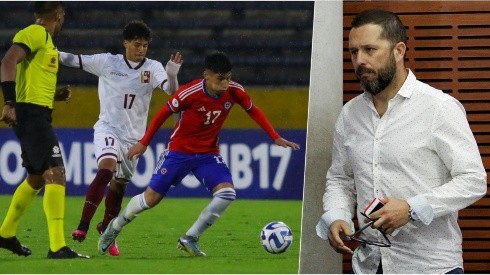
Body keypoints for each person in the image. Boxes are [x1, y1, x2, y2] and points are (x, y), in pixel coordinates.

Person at [315, 9, 487, 274]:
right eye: (353, 52)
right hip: (369, 265)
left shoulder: (438, 107)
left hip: (431, 267)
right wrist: (336, 215)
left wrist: (411, 209)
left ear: (399, 50)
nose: (359, 60)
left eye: (370, 50)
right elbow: (341, 178)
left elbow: (473, 180)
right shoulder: (350, 114)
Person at [98, 51, 301, 256]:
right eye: (221, 79)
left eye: (229, 78)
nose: (225, 84)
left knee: (227, 193)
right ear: (207, 75)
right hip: (178, 152)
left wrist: (274, 136)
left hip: (207, 154)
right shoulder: (190, 92)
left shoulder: (235, 91)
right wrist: (144, 143)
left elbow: (253, 110)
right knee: (150, 199)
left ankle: (190, 238)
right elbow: (163, 113)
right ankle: (114, 227)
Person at [58, 20, 182, 257]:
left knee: (119, 187)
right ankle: (82, 226)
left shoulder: (153, 67)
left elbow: (171, 91)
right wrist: (47, 53)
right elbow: (73, 59)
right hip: (108, 129)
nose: (141, 49)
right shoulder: (108, 62)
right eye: (137, 44)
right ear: (125, 43)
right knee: (106, 168)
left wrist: (172, 75)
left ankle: (106, 229)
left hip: (134, 139)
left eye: (145, 45)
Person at [0, 1, 89, 259]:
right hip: (30, 116)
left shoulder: (46, 42)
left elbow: (31, 81)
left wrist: (55, 95)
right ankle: (57, 246)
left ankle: (5, 233)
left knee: (37, 178)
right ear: (59, 15)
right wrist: (8, 102)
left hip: (35, 112)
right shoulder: (36, 32)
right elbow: (7, 61)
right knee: (57, 173)